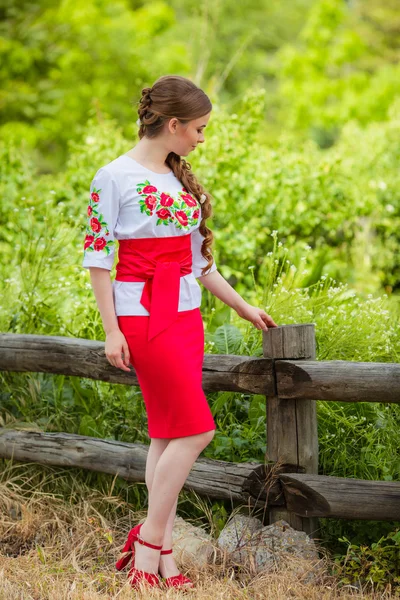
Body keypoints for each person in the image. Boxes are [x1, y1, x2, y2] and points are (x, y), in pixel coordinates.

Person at [82, 74, 278, 590]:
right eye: (199, 128)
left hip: (187, 317)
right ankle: (148, 547)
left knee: (167, 432)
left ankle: (162, 552)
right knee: (198, 428)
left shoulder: (175, 178)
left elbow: (198, 265)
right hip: (143, 316)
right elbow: (98, 260)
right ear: (173, 124)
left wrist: (242, 307)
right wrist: (111, 331)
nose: (202, 138)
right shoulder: (113, 177)